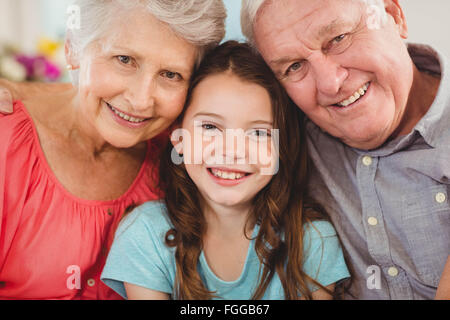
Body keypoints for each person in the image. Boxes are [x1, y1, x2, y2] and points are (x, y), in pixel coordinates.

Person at [0, 0, 226, 300]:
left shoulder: (182, 153)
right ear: (73, 48)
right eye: (124, 59)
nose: (141, 100)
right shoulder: (8, 145)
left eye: (171, 75)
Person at [100, 41, 350, 300]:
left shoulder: (311, 239)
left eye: (258, 132)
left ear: (281, 147)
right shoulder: (145, 234)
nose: (231, 151)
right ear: (178, 137)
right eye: (210, 127)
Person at [241, 0, 449, 299]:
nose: (330, 83)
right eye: (295, 66)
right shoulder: (288, 136)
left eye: (338, 39)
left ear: (393, 16)